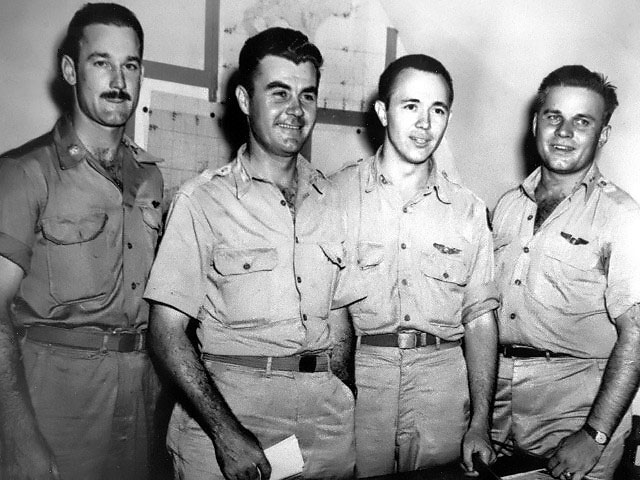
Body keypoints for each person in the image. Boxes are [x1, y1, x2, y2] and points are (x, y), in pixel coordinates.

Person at [144, 27, 358, 480]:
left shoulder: (332, 200)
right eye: (278, 93)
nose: (295, 111)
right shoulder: (202, 201)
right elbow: (166, 333)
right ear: (244, 100)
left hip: (324, 432)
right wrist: (226, 434)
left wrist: (341, 393)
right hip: (233, 432)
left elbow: (339, 320)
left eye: (307, 96)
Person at [0, 3, 164, 479]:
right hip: (55, 404)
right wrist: (19, 436)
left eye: (130, 65)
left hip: (138, 402)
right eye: (102, 62)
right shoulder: (24, 173)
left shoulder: (150, 178)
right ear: (71, 70)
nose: (119, 78)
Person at [330, 54, 499, 477]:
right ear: (383, 111)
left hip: (441, 384)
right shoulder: (333, 196)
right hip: (360, 381)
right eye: (411, 106)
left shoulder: (468, 210)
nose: (424, 124)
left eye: (437, 110)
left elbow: (480, 323)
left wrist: (480, 424)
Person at [491, 65, 640, 480]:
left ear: (602, 135)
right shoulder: (506, 206)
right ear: (536, 122)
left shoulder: (622, 217)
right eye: (554, 117)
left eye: (582, 121)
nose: (564, 132)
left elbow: (638, 332)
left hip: (576, 417)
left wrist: (594, 435)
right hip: (497, 414)